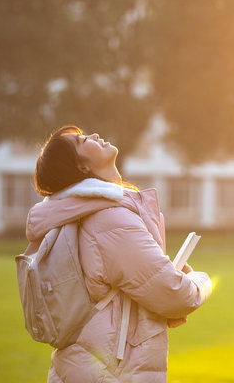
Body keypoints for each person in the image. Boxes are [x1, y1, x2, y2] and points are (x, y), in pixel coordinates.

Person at [26, 125, 212, 383]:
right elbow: (175, 294)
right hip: (111, 373)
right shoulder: (109, 219)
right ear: (81, 167)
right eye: (82, 141)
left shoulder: (87, 214)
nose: (92, 135)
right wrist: (201, 281)